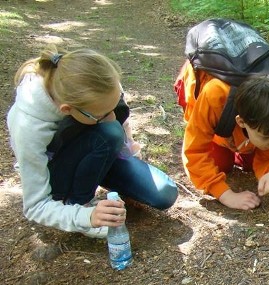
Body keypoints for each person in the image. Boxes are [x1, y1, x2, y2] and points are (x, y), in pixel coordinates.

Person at [7, 47, 178, 239]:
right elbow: (35, 206)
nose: (112, 115)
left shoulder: (99, 80)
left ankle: (96, 172)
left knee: (164, 193)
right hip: (57, 172)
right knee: (109, 131)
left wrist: (129, 152)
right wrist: (86, 217)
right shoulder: (28, 125)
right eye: (101, 114)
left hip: (97, 150)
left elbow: (118, 123)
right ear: (67, 110)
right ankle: (77, 202)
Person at [180, 63, 269, 211]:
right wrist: (225, 195)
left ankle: (243, 148)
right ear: (241, 121)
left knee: (251, 164)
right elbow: (194, 152)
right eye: (266, 137)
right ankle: (232, 147)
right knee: (220, 163)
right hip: (199, 90)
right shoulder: (214, 96)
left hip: (239, 124)